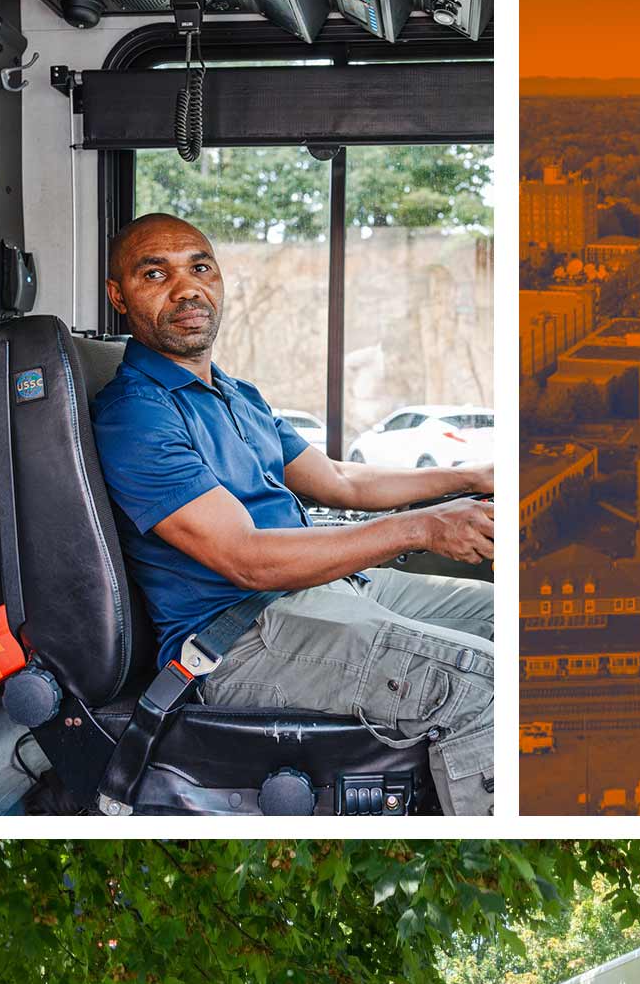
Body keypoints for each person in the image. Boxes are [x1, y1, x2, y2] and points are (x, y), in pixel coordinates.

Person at [91, 212, 497, 814]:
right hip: (242, 637)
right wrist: (424, 526)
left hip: (330, 590)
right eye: (156, 273)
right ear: (118, 297)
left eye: (200, 267)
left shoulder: (236, 394)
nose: (186, 288)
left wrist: (472, 476)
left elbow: (340, 478)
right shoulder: (136, 415)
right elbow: (247, 560)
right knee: (487, 685)